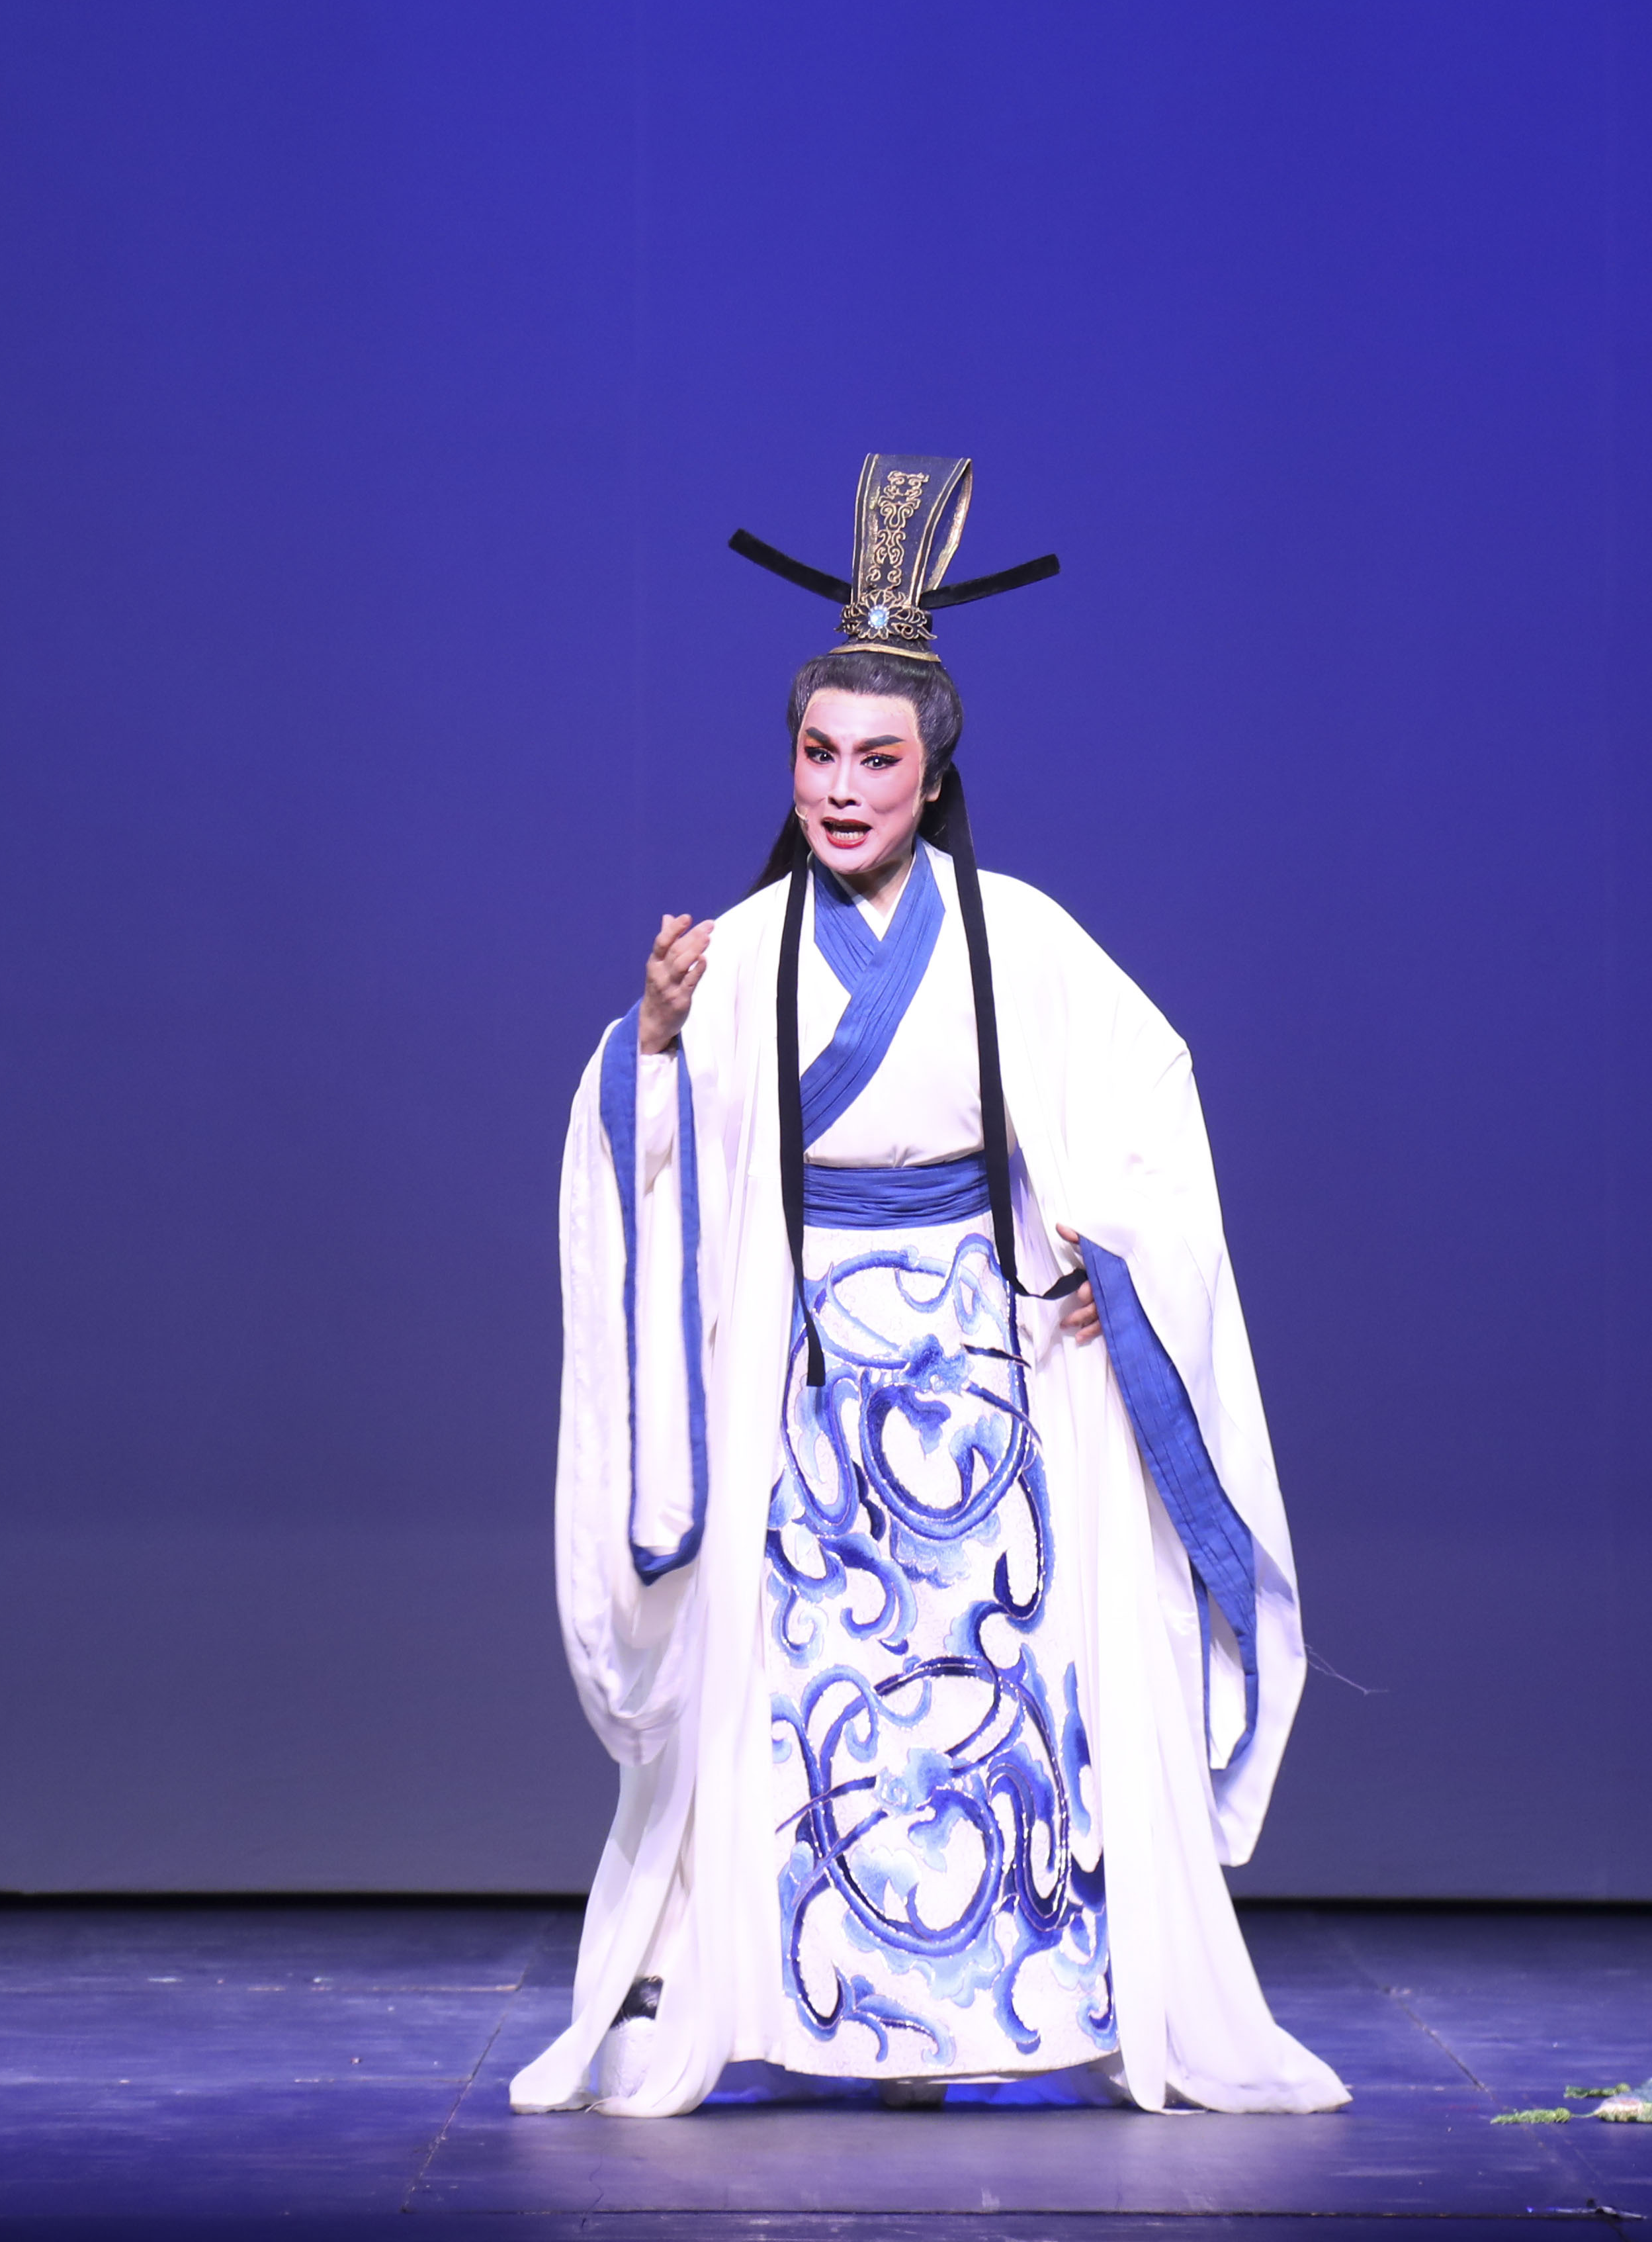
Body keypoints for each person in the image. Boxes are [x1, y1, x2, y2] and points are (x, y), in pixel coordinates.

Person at [511, 457, 1343, 2118]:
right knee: (814, 1701)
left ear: (933, 774)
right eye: (816, 754)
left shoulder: (1016, 934)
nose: (839, 789)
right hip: (809, 1383)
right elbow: (646, 1152)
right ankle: (823, 2014)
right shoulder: (741, 949)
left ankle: (983, 2014)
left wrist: (1117, 1257)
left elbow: (1145, 1101)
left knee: (995, 1698)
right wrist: (653, 1042)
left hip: (981, 1377)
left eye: (875, 759)